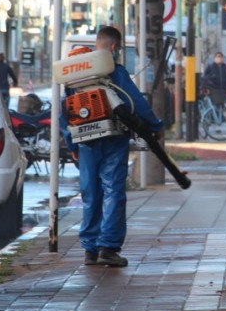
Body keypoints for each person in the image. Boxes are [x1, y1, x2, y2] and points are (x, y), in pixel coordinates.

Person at [63, 26, 164, 268]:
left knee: (90, 193)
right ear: (115, 47)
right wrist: (155, 126)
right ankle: (108, 247)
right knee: (113, 191)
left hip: (85, 141)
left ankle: (90, 249)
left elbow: (65, 111)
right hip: (112, 139)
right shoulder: (115, 72)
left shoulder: (76, 74)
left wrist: (71, 144)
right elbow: (134, 103)